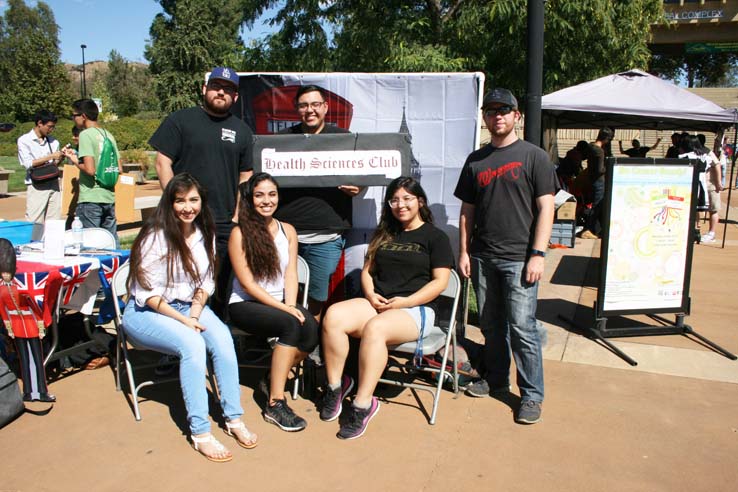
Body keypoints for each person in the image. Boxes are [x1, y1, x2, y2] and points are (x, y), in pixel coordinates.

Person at [122, 173, 257, 462]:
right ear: (169, 203)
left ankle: (234, 418)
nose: (187, 207)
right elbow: (146, 293)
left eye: (193, 200)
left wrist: (194, 313)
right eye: (180, 200)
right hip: (149, 312)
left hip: (188, 308)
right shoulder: (154, 236)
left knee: (222, 340)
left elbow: (206, 282)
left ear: (201, 202)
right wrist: (185, 322)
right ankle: (201, 433)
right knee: (193, 345)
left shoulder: (203, 233)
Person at [319, 176, 453, 440]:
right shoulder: (385, 233)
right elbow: (368, 272)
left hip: (416, 309)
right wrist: (370, 294)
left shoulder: (435, 237)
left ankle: (363, 404)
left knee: (376, 329)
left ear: (420, 201)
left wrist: (406, 302)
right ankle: (336, 385)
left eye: (406, 199)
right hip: (379, 302)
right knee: (334, 315)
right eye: (394, 200)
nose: (400, 205)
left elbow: (440, 283)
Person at [454, 88, 555, 425]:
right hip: (483, 257)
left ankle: (531, 395)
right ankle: (496, 379)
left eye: (504, 110)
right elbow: (467, 211)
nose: (498, 116)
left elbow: (546, 208)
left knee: (523, 328)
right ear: (485, 118)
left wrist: (538, 254)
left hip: (520, 259)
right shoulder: (476, 160)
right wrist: (464, 251)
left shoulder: (534, 156)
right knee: (493, 327)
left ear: (517, 116)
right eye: (491, 110)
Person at [149, 67, 253, 318]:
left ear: (235, 97)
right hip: (186, 219)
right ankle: (176, 335)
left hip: (225, 223)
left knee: (220, 287)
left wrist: (237, 217)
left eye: (228, 89)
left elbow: (246, 175)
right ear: (204, 89)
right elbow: (163, 162)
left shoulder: (242, 131)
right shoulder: (180, 120)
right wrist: (176, 204)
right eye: (217, 86)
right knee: (179, 280)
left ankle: (216, 337)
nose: (222, 92)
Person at [228, 173, 319, 432]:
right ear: (250, 198)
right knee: (291, 325)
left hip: (279, 302)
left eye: (271, 194)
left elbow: (290, 273)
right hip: (245, 304)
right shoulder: (240, 233)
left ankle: (271, 378)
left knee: (311, 329)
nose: (266, 200)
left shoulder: (287, 229)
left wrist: (291, 305)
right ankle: (275, 403)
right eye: (259, 195)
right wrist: (285, 311)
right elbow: (247, 283)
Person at [275, 85, 361, 320]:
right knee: (281, 294)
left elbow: (365, 172)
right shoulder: (280, 141)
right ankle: (284, 341)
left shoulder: (344, 139)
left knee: (316, 297)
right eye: (303, 105)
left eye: (315, 104)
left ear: (325, 107)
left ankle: (308, 345)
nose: (309, 110)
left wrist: (359, 187)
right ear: (296, 109)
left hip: (327, 238)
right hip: (285, 236)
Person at [70, 99, 122, 242]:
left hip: (90, 198)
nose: (73, 119)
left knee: (91, 244)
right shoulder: (108, 135)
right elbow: (120, 168)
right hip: (108, 197)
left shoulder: (85, 135)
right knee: (110, 242)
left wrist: (75, 161)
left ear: (84, 116)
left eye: (74, 115)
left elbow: (90, 170)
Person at [17, 110, 63, 224]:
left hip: (53, 182)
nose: (51, 129)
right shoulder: (24, 140)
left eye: (53, 127)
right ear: (40, 123)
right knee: (35, 220)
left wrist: (60, 157)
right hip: (36, 184)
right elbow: (28, 163)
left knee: (54, 220)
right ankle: (34, 241)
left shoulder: (53, 141)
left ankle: (52, 241)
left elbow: (54, 163)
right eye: (49, 126)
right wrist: (50, 156)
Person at [580, 127, 614, 239]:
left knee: (596, 204)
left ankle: (595, 229)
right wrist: (608, 167)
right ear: (606, 139)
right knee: (597, 206)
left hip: (591, 179)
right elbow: (600, 169)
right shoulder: (599, 151)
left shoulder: (591, 146)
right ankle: (587, 229)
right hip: (599, 181)